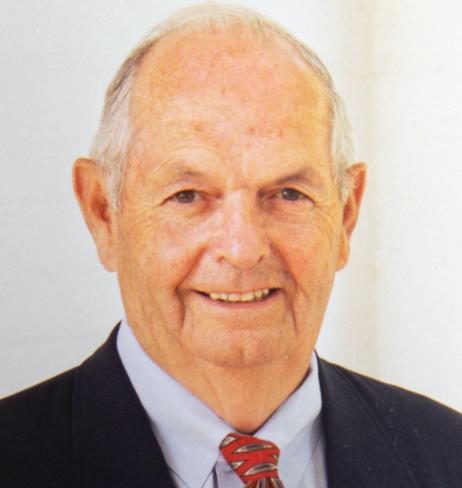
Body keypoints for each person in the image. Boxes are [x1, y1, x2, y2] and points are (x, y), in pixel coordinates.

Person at [1, 4, 461, 487]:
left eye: (288, 194)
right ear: (102, 213)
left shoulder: (448, 458)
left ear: (346, 214)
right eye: (188, 196)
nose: (242, 249)